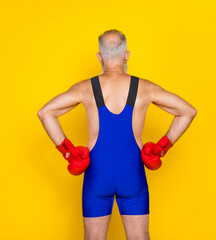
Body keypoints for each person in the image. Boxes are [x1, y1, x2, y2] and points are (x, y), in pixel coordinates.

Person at [37, 29, 197, 240]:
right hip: (132, 176)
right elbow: (187, 111)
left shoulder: (86, 88)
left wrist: (68, 151)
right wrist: (161, 148)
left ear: (100, 57)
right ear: (126, 55)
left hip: (97, 176)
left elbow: (45, 112)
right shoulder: (145, 88)